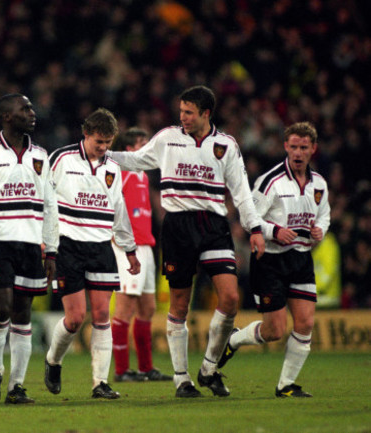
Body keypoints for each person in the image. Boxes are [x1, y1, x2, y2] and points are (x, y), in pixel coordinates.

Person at [106, 85, 266, 398]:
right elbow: (137, 160)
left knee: (231, 298)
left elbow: (242, 191)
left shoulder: (226, 145)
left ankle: (208, 368)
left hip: (213, 225)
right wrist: (103, 154)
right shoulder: (167, 138)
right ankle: (182, 379)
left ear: (207, 113)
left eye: (189, 112)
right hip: (177, 226)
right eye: (181, 111)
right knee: (179, 302)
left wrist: (255, 227)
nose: (183, 117)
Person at [218, 122, 330, 398]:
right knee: (274, 331)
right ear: (285, 147)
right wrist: (274, 231)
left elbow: (325, 215)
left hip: (301, 259)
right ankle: (234, 338)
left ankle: (286, 385)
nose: (298, 152)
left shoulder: (319, 184)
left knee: (305, 324)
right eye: (293, 146)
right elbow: (250, 219)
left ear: (313, 149)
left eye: (304, 147)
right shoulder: (271, 181)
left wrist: (321, 229)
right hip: (270, 260)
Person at [44, 108, 141, 400]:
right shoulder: (60, 159)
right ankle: (53, 360)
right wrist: (45, 242)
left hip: (100, 246)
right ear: (85, 134)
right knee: (75, 318)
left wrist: (130, 249)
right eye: (99, 141)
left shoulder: (112, 167)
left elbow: (119, 209)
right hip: (68, 245)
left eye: (108, 143)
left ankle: (100, 382)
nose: (103, 148)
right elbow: (45, 202)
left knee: (101, 315)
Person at [0, 94, 58, 404]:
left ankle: (16, 386)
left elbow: (50, 204)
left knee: (22, 314)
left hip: (31, 244)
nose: (32, 113)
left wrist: (52, 249)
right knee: (2, 308)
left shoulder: (41, 156)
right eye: (25, 109)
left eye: (32, 107)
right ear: (6, 116)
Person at [110, 127, 172, 383]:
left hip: (147, 245)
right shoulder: (120, 172)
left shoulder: (144, 176)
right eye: (142, 144)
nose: (147, 148)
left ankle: (146, 368)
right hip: (128, 247)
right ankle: (121, 370)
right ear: (128, 150)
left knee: (147, 308)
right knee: (125, 307)